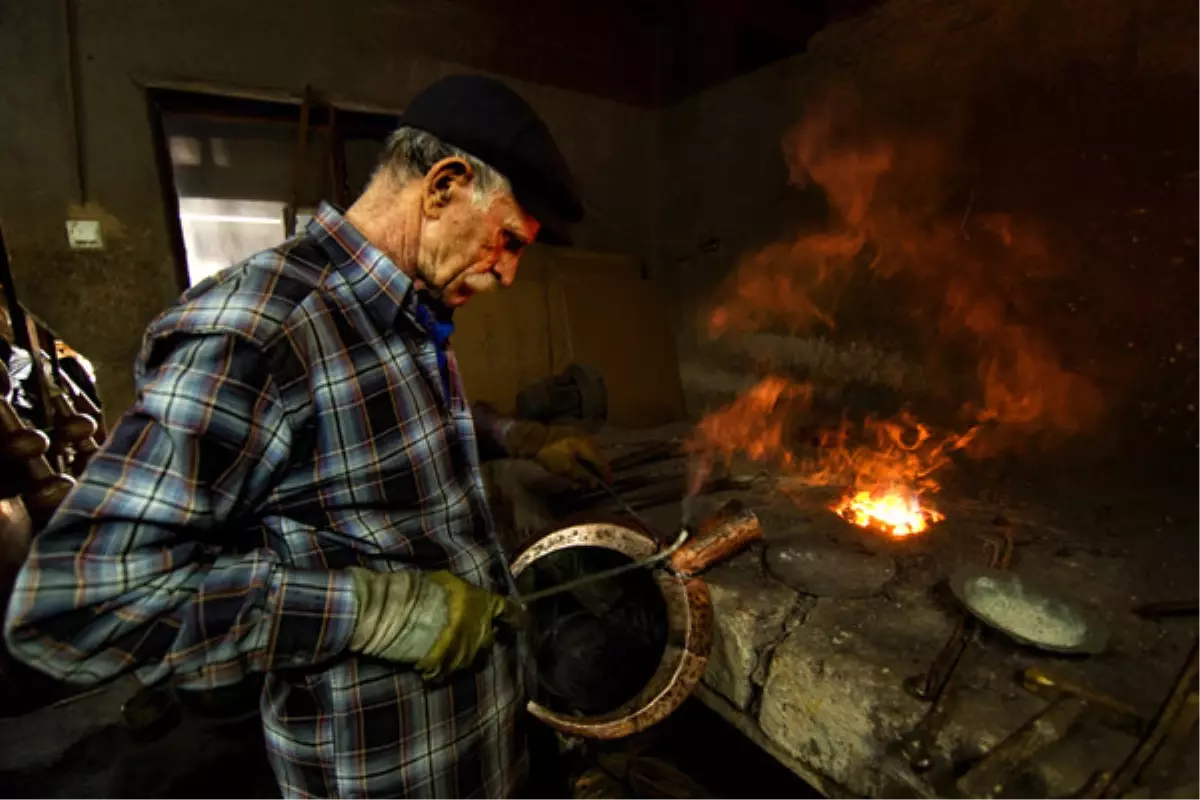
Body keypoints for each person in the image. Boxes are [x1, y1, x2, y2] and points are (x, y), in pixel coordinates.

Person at [4, 74, 609, 799]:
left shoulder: (407, 310)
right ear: (444, 186)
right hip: (382, 776)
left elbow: (391, 428)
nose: (510, 272)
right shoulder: (258, 332)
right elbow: (81, 602)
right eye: (507, 240)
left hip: (479, 757)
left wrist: (521, 434)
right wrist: (374, 612)